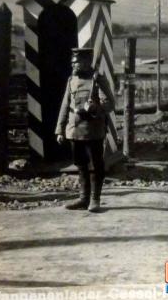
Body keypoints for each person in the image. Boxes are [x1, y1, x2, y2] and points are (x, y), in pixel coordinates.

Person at [55, 48, 115, 212]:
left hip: (93, 129)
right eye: (73, 61)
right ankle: (83, 198)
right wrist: (60, 130)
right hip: (74, 129)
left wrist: (95, 107)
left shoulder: (98, 79)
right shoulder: (71, 80)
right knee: (80, 165)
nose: (73, 64)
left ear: (86, 62)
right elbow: (65, 106)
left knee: (96, 165)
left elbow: (110, 103)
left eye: (77, 62)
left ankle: (95, 200)